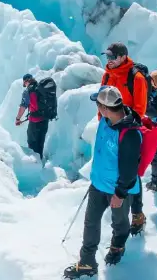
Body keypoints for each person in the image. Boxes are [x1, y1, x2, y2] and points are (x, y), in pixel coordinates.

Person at [63, 86, 142, 279]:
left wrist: (120, 194)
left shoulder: (129, 134)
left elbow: (130, 170)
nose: (97, 109)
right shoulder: (106, 120)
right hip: (98, 184)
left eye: (98, 105)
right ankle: (87, 262)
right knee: (90, 222)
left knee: (120, 223)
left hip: (118, 189)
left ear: (106, 108)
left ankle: (117, 246)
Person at [97, 42, 149, 236]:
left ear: (122, 57)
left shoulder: (136, 77)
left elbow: (140, 109)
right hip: (110, 128)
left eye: (112, 57)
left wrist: (124, 124)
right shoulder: (108, 74)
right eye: (107, 57)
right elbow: (102, 99)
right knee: (116, 168)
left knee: (131, 171)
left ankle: (137, 212)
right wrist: (103, 123)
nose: (109, 60)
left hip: (128, 130)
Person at [15, 74, 49, 160]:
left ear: (26, 81)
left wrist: (18, 119)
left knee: (32, 143)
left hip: (35, 121)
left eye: (24, 84)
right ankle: (40, 162)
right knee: (40, 143)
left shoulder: (28, 91)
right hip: (45, 120)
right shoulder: (42, 88)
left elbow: (23, 107)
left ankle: (34, 166)